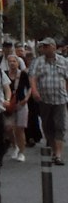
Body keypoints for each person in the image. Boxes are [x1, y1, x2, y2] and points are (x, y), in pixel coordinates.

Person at [29, 36, 68, 164]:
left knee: (60, 126)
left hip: (60, 99)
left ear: (53, 47)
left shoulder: (63, 61)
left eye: (46, 46)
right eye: (42, 46)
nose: (43, 48)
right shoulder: (38, 61)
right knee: (47, 125)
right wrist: (34, 90)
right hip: (44, 99)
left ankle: (58, 154)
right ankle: (53, 148)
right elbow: (33, 77)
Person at [4, 52, 30, 162]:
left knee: (20, 129)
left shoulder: (23, 74)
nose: (12, 63)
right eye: (10, 61)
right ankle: (14, 146)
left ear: (18, 63)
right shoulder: (4, 74)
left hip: (20, 103)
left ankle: (21, 152)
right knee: (9, 127)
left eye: (14, 61)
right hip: (9, 104)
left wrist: (26, 99)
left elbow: (29, 87)